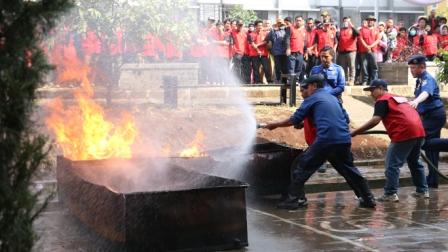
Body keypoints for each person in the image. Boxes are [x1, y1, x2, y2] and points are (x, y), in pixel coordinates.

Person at [263, 74, 376, 209]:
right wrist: (309, 122)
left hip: (325, 140)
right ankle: (368, 198)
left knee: (300, 167)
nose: (302, 92)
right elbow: (344, 119)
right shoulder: (334, 98)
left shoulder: (312, 98)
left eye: (304, 89)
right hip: (343, 140)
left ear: (314, 86)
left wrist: (274, 124)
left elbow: (294, 119)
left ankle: (293, 201)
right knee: (349, 170)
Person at [351, 79, 429, 201]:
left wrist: (355, 132)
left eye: (373, 90)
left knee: (392, 164)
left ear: (382, 88)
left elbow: (375, 120)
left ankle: (390, 194)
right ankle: (422, 191)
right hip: (419, 131)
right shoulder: (399, 98)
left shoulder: (382, 100)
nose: (371, 93)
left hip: (404, 133)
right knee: (415, 162)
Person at [408, 55, 446, 188]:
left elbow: (426, 93)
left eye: (413, 67)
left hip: (434, 115)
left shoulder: (427, 79)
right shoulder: (419, 80)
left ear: (422, 67)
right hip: (430, 115)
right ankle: (433, 180)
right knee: (432, 149)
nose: (411, 70)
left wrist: (416, 101)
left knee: (421, 141)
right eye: (411, 67)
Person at [358, 15, 381, 85]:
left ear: (374, 22)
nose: (370, 21)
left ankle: (374, 80)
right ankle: (365, 80)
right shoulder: (362, 29)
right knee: (364, 66)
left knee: (374, 66)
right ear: (367, 21)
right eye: (369, 20)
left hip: (373, 50)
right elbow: (360, 38)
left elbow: (378, 40)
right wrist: (366, 46)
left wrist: (370, 46)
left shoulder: (376, 30)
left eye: (372, 20)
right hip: (363, 51)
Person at [337, 16, 358, 86]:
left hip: (351, 51)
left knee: (352, 66)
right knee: (343, 67)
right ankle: (344, 80)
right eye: (345, 21)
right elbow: (338, 38)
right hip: (342, 51)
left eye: (347, 21)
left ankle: (352, 80)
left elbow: (358, 33)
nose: (346, 23)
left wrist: (352, 25)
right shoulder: (341, 30)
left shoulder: (352, 29)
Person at [266, 18, 288, 84]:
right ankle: (278, 80)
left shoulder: (286, 30)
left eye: (281, 23)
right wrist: (270, 47)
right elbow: (268, 40)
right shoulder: (272, 31)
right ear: (277, 24)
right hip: (276, 52)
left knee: (285, 68)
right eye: (279, 23)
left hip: (285, 52)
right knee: (277, 67)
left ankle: (284, 81)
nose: (280, 24)